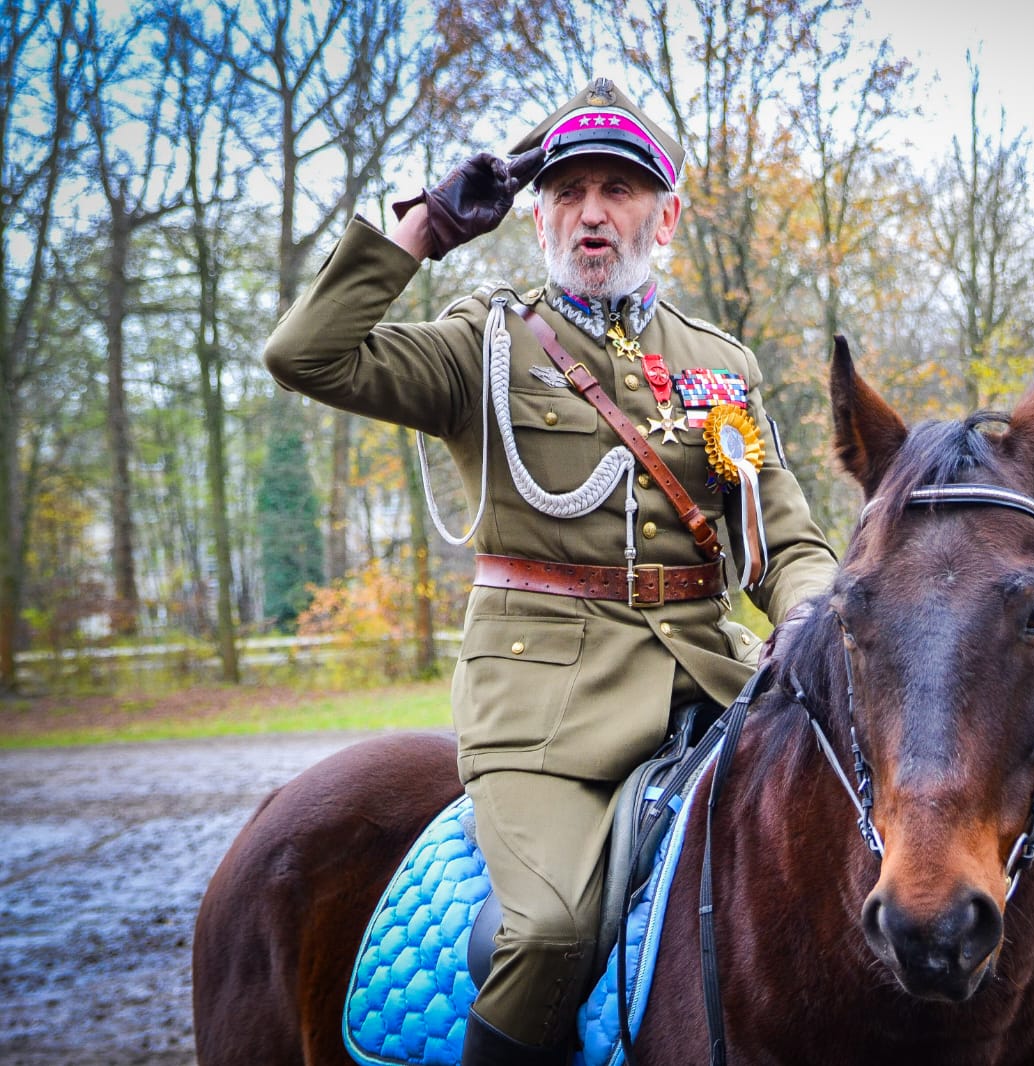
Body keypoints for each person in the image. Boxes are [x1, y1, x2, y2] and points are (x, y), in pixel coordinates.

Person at [263, 77, 837, 1065]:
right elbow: (305, 356)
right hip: (544, 709)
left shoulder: (719, 368)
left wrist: (807, 621)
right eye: (568, 192)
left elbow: (785, 543)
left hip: (711, 682)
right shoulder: (482, 347)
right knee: (549, 930)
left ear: (665, 217)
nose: (592, 212)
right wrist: (423, 230)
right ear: (537, 217)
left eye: (619, 189)